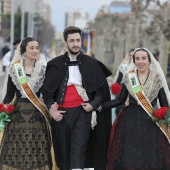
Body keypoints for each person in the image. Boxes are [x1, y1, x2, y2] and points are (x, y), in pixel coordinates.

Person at [41, 26, 112, 170]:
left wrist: (93, 104)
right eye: (72, 40)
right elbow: (47, 93)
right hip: (61, 114)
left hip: (82, 113)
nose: (75, 44)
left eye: (78, 40)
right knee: (64, 151)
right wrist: (51, 110)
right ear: (66, 42)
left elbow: (102, 92)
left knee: (78, 149)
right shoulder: (55, 64)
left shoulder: (92, 64)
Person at [100, 47, 170, 170]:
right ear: (134, 61)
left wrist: (162, 111)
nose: (140, 61)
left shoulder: (157, 78)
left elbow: (164, 104)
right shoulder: (129, 77)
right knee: (128, 155)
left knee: (150, 156)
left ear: (149, 61)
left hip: (151, 123)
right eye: (137, 58)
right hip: (129, 122)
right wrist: (101, 106)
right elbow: (120, 100)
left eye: (143, 58)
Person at [0, 37, 59, 170]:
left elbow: (47, 93)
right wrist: (3, 109)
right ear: (24, 50)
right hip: (17, 114)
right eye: (31, 48)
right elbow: (9, 94)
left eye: (37, 48)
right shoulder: (15, 69)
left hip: (37, 115)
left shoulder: (43, 69)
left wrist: (51, 105)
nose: (35, 51)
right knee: (17, 149)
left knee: (36, 149)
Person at [111, 48, 135, 115]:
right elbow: (118, 81)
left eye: (133, 56)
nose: (131, 57)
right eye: (130, 55)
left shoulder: (139, 68)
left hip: (135, 94)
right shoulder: (124, 67)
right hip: (124, 93)